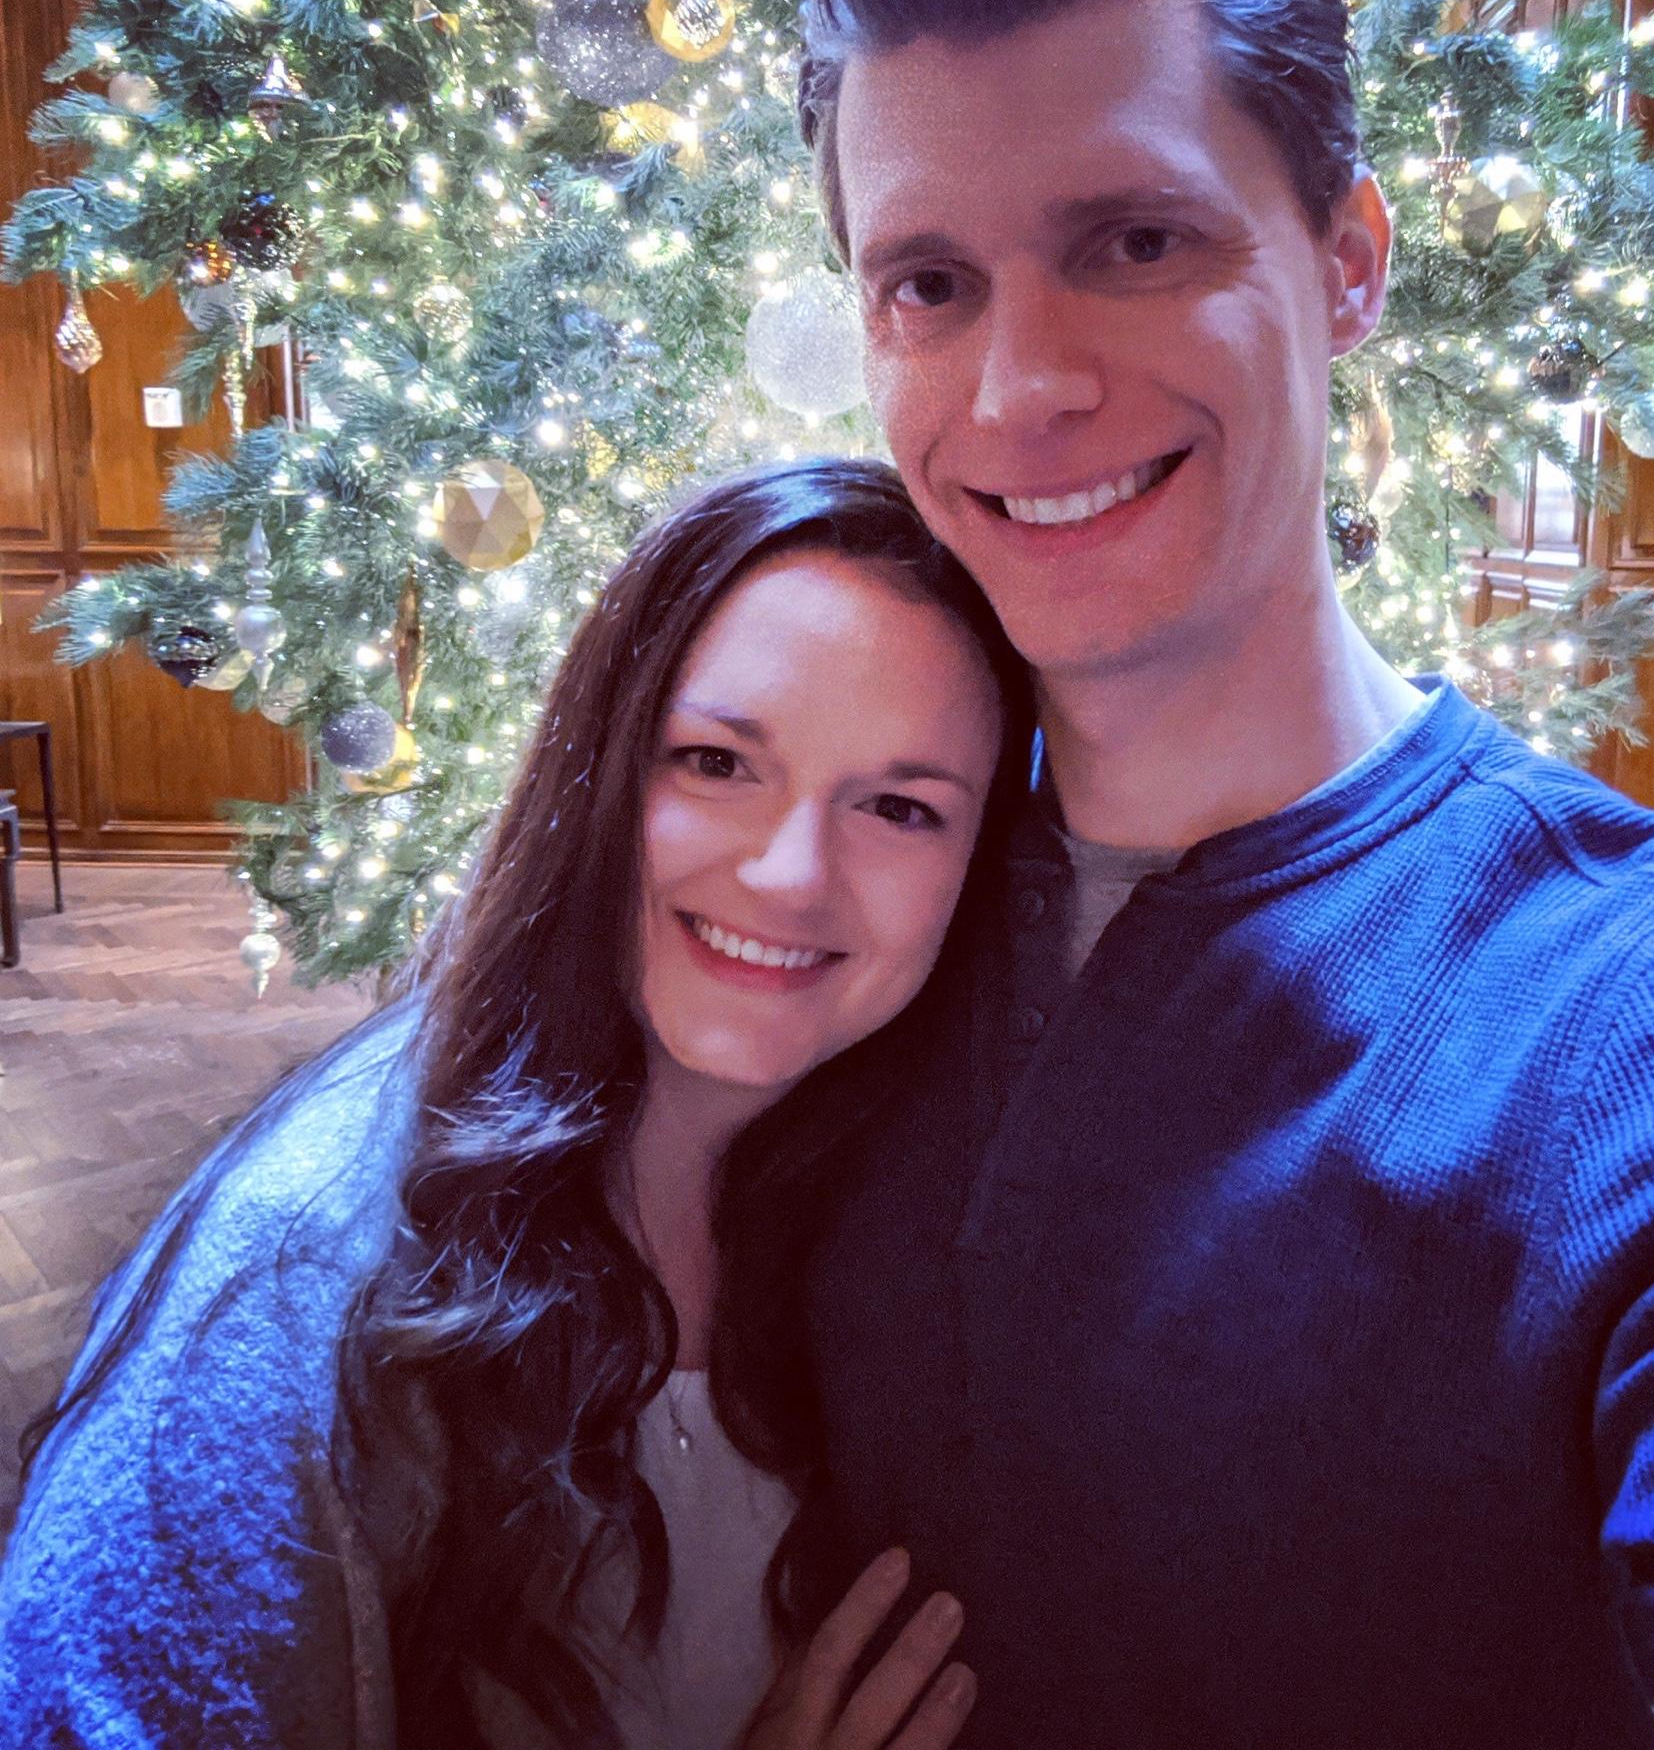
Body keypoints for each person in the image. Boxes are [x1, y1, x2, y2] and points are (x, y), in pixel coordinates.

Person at [793, 0, 1654, 1746]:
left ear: (1348, 265)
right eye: (930, 285)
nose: (1019, 392)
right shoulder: (806, 909)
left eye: (1135, 243)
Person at [0, 459, 1034, 1749]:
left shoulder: (919, 1200)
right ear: (598, 768)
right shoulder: (286, 1325)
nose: (791, 872)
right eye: (717, 762)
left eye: (900, 808)